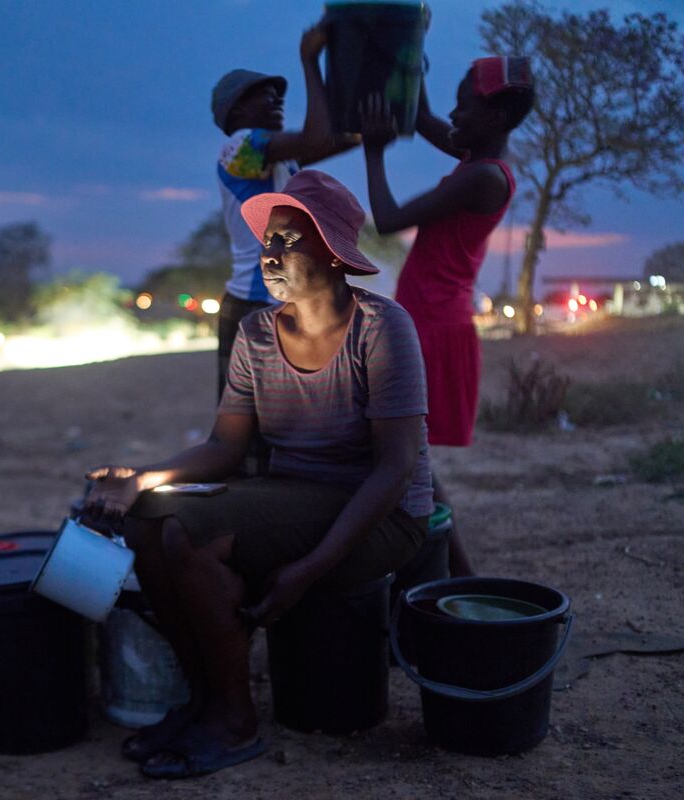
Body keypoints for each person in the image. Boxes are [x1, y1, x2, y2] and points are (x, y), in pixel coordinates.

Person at [84, 170, 432, 779]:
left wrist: (306, 571)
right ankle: (204, 700)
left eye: (288, 242)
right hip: (293, 496)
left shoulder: (381, 328)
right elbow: (224, 446)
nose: (269, 256)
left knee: (189, 535)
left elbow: (396, 467)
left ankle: (235, 720)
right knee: (144, 522)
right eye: (267, 243)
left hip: (382, 512)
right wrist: (137, 479)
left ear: (332, 250)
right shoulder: (255, 333)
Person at [360, 56, 534, 576]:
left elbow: (388, 220)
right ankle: (449, 578)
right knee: (408, 459)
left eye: (466, 103)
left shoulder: (480, 177)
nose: (454, 112)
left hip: (432, 327)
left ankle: (455, 580)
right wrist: (409, 68)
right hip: (431, 319)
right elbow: (426, 120)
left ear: (496, 117)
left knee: (407, 459)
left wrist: (373, 152)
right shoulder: (478, 157)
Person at [212, 22, 361, 403]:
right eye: (265, 96)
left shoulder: (280, 158)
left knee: (283, 422)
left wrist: (370, 125)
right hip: (255, 303)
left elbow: (332, 138)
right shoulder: (237, 147)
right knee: (250, 428)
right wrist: (310, 61)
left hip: (279, 299)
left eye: (278, 96)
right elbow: (318, 136)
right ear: (236, 111)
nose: (278, 101)